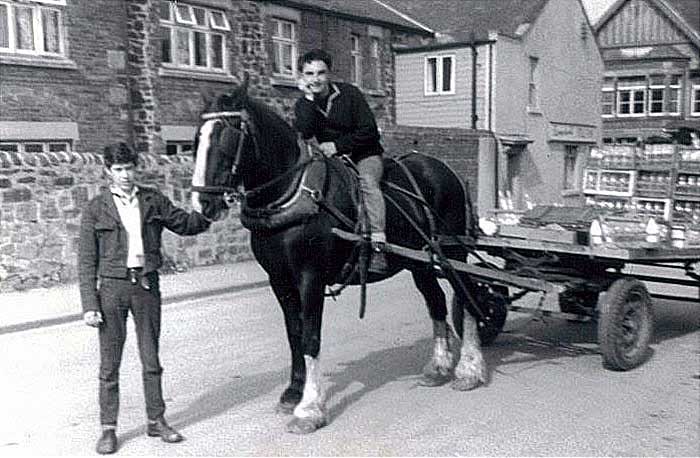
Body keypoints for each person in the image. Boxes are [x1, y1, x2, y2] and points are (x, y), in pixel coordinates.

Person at [78, 142, 211, 454]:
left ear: (136, 169)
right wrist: (89, 306)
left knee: (151, 359)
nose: (125, 175)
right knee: (109, 365)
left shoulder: (152, 199)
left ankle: (157, 421)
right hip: (111, 289)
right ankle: (108, 429)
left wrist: (210, 211)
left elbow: (185, 224)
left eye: (130, 168)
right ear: (108, 172)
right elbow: (86, 262)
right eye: (119, 169)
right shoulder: (96, 209)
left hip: (146, 286)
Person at [294, 48, 388, 273]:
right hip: (332, 161)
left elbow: (369, 131)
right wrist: (307, 99)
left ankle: (378, 246)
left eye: (320, 73)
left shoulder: (350, 94)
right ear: (302, 77)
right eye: (309, 74)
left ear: (329, 74)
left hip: (364, 154)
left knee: (367, 183)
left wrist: (338, 146)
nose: (315, 79)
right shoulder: (304, 104)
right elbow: (306, 132)